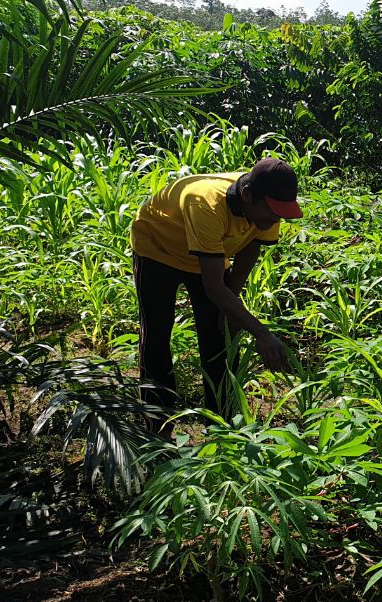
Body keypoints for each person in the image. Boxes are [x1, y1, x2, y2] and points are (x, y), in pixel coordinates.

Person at [129, 157, 302, 435]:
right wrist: (261, 333)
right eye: (272, 213)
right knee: (157, 336)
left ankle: (222, 428)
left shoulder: (266, 203)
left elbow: (250, 247)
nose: (275, 219)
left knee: (220, 339)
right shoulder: (206, 204)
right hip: (157, 248)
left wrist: (231, 305)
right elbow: (213, 286)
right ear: (246, 195)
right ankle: (157, 429)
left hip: (207, 253)